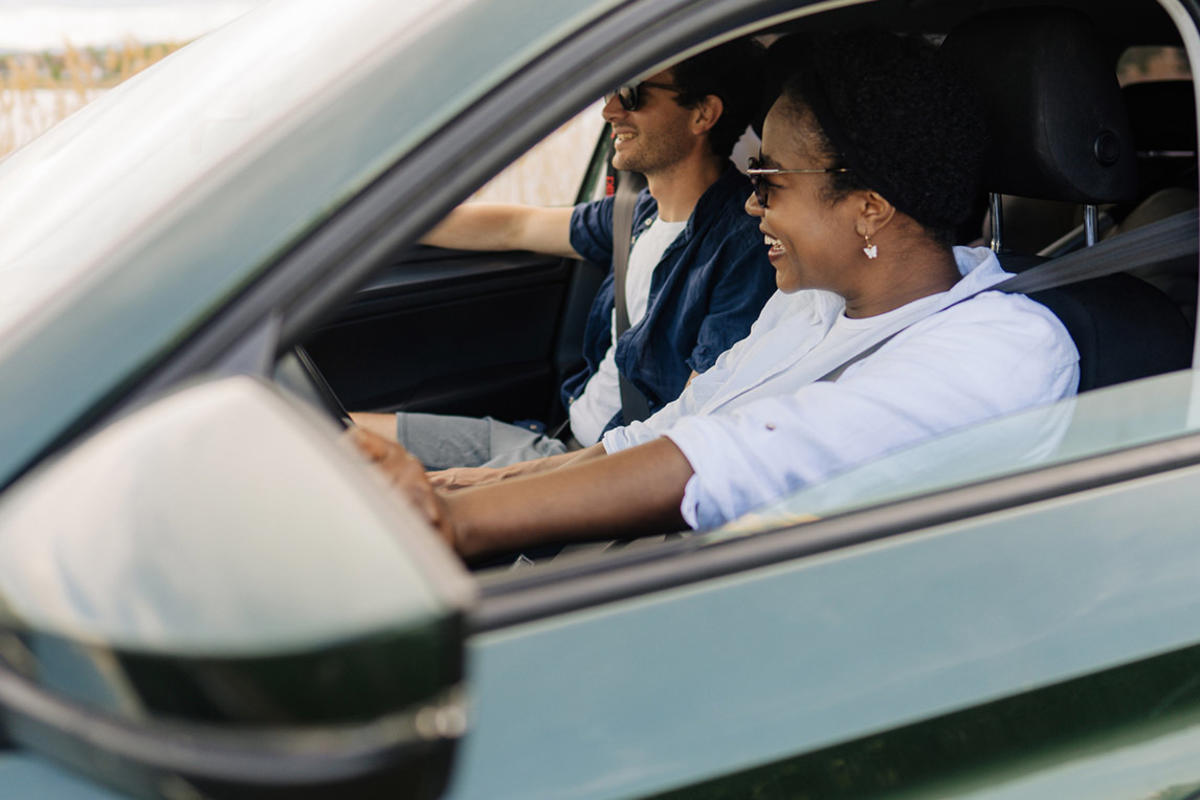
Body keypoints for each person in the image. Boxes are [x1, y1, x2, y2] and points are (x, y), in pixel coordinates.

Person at [350, 30, 1080, 559]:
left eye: (769, 181)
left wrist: (454, 520)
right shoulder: (812, 304)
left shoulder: (1004, 348)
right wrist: (457, 488)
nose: (752, 205)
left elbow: (728, 460)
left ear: (869, 207)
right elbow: (661, 432)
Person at [352, 38, 777, 468]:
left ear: (703, 113)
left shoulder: (744, 246)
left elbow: (682, 432)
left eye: (631, 93)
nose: (610, 110)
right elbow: (515, 226)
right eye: (611, 91)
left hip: (594, 468)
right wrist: (377, 222)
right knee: (340, 434)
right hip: (556, 439)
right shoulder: (635, 213)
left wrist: (513, 478)